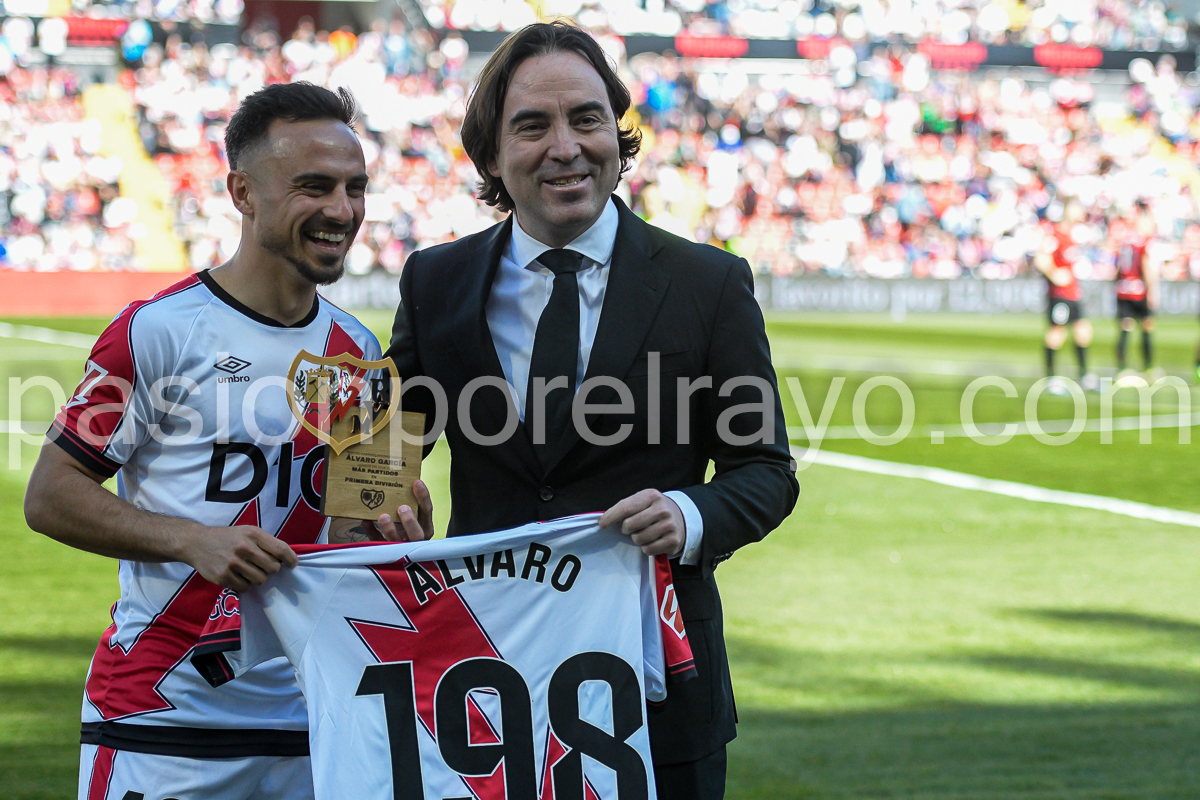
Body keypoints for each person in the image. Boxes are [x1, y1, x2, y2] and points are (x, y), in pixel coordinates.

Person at [386, 21, 798, 800]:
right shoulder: (435, 281)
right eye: (532, 125)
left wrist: (690, 513)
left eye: (586, 118)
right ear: (492, 154)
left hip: (658, 685)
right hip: (482, 684)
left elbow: (765, 472)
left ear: (619, 131)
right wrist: (378, 495)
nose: (566, 147)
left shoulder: (708, 284)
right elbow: (389, 442)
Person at [24, 82, 430, 800]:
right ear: (243, 191)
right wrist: (192, 539)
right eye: (314, 187)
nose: (342, 211)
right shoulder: (156, 332)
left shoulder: (358, 348)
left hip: (313, 724)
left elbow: (347, 536)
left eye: (354, 188)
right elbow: (50, 495)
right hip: (161, 723)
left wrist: (397, 532)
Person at [1035, 200, 1097, 393]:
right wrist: (1054, 274)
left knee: (1083, 332)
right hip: (1059, 294)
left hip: (1072, 292)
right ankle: (1051, 379)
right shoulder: (1055, 234)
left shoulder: (1073, 236)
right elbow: (1040, 259)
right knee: (1056, 333)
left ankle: (1084, 375)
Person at [1113, 204, 1158, 375]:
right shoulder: (1145, 243)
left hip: (1123, 289)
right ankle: (1148, 367)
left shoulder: (1126, 241)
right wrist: (1152, 291)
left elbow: (1118, 268)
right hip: (1139, 290)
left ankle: (1121, 368)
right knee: (1147, 326)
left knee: (1125, 328)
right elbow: (1146, 268)